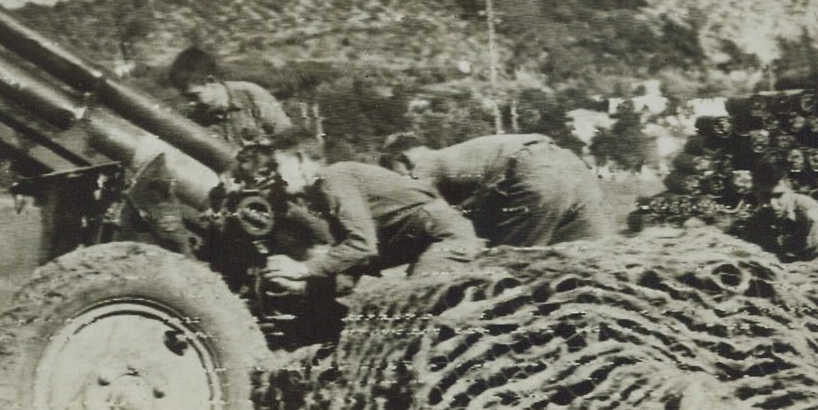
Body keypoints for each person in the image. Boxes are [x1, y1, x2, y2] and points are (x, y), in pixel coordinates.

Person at [261, 131, 484, 294]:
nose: (274, 176)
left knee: (418, 303)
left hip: (445, 238)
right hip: (434, 241)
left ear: (300, 159)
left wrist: (302, 268)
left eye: (276, 165)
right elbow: (353, 268)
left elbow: (362, 247)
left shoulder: (335, 177)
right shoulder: (319, 195)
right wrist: (304, 285)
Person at [379, 132, 612, 247]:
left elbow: (416, 217)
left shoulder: (424, 166)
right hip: (572, 166)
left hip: (535, 172)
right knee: (587, 258)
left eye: (392, 171)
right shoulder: (460, 156)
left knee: (514, 270)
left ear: (403, 158)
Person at [167, 47, 293, 149]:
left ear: (211, 81)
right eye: (186, 97)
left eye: (195, 95)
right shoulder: (195, 117)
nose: (191, 103)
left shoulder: (251, 95)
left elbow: (285, 134)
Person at [741, 160, 818, 260]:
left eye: (778, 195)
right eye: (765, 196)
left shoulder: (809, 208)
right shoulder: (757, 218)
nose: (772, 204)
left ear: (788, 186)